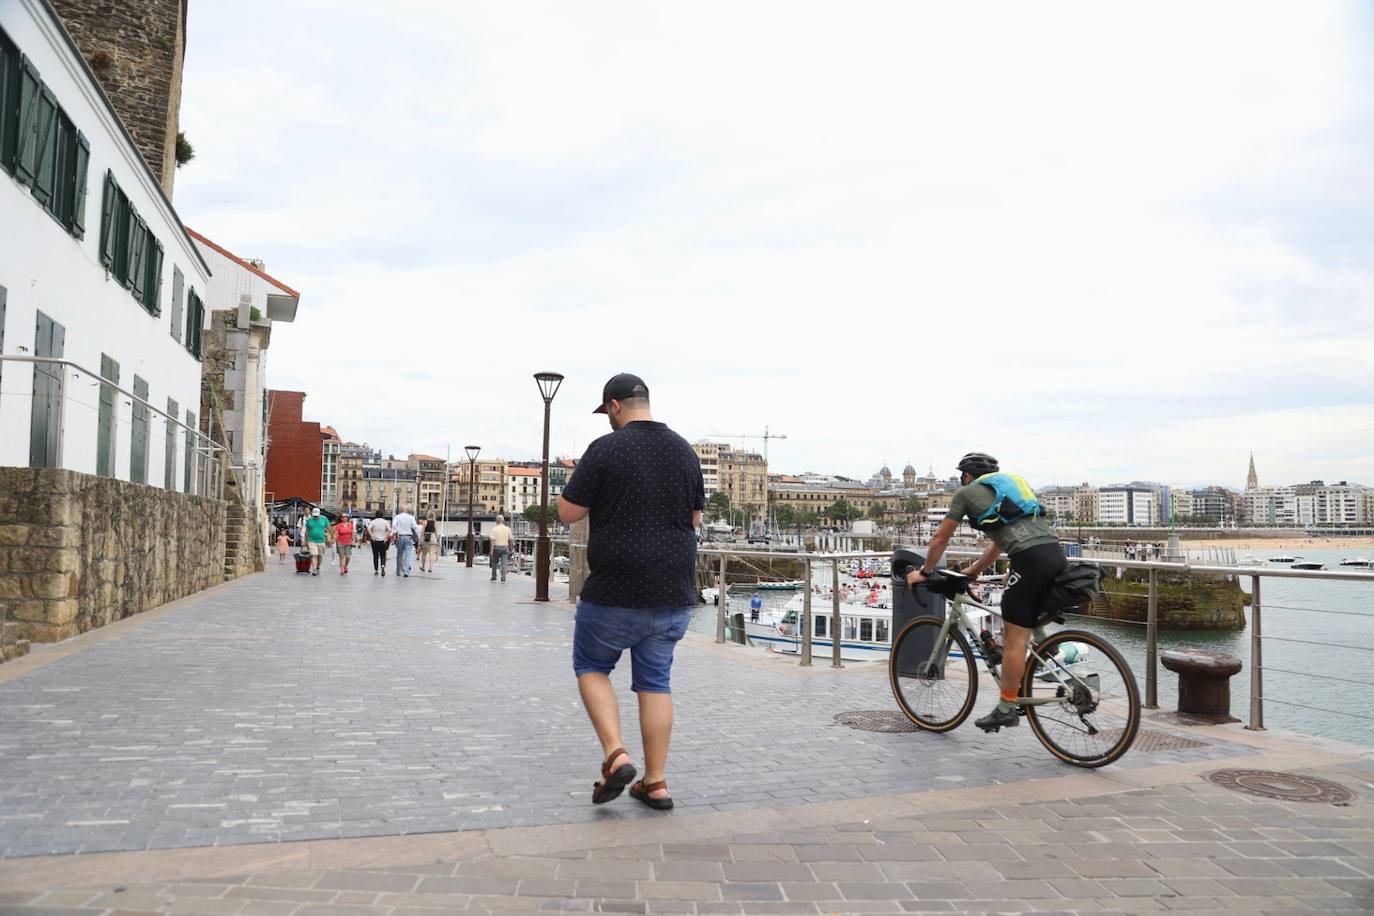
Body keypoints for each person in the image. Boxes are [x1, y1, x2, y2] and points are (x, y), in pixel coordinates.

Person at [558, 373, 704, 811]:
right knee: (656, 681)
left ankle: (616, 754)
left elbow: (568, 513)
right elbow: (695, 519)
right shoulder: (683, 449)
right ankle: (656, 782)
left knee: (590, 665)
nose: (608, 420)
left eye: (607, 413)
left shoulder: (605, 449)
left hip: (614, 589)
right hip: (672, 589)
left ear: (615, 405)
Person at [905, 452, 1065, 732]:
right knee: (1018, 600)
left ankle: (1005, 709)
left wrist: (925, 571)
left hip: (1029, 560)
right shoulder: (1008, 490)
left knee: (1014, 637)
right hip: (1055, 554)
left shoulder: (966, 493)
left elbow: (941, 537)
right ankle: (1045, 654)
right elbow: (1001, 542)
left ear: (966, 477)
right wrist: (976, 570)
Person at [303, 507, 332, 577]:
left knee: (320, 555)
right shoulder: (309, 520)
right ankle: (314, 568)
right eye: (314, 515)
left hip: (321, 540)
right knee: (314, 554)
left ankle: (318, 566)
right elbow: (307, 531)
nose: (315, 517)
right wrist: (305, 540)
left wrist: (332, 537)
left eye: (316, 515)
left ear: (319, 514)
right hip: (311, 540)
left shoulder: (324, 519)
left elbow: (329, 528)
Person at [392, 506, 419, 577]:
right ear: (407, 510)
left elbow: (394, 525)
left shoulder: (397, 517)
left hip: (399, 537)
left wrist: (396, 532)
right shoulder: (411, 517)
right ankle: (406, 571)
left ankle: (398, 571)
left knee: (399, 555)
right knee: (408, 555)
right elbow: (415, 527)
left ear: (400, 510)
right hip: (408, 537)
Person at [489, 515, 512, 582]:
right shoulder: (507, 529)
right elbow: (510, 539)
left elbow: (492, 540)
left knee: (494, 563)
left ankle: (494, 577)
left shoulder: (494, 529)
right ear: (503, 521)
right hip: (505, 547)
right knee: (504, 563)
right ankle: (503, 577)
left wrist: (491, 550)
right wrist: (510, 548)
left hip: (496, 547)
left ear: (497, 521)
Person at [334, 511, 355, 576]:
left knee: (348, 557)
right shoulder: (338, 526)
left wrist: (353, 541)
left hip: (348, 543)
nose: (345, 518)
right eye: (343, 517)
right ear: (341, 518)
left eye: (346, 517)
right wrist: (333, 541)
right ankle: (342, 569)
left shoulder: (350, 525)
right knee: (341, 557)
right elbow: (336, 534)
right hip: (340, 542)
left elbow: (353, 533)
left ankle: (345, 566)